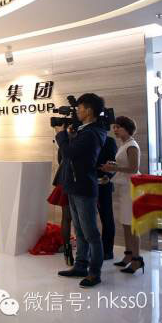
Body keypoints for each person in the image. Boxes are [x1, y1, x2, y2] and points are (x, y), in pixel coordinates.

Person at [55, 93, 108, 288]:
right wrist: (69, 137)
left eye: (80, 108)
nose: (77, 111)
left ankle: (94, 273)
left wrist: (61, 135)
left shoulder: (92, 133)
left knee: (91, 233)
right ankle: (80, 266)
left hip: (84, 186)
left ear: (89, 110)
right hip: (74, 185)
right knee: (79, 230)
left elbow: (69, 153)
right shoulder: (84, 131)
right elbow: (71, 155)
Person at [100, 116, 142, 274]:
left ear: (127, 128)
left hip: (132, 188)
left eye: (118, 127)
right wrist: (113, 167)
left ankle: (137, 259)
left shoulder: (131, 145)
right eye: (114, 127)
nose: (115, 130)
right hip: (125, 188)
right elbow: (125, 166)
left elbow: (133, 168)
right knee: (126, 223)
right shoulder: (124, 144)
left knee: (132, 225)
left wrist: (113, 168)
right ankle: (128, 255)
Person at [96, 135, 118, 260]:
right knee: (88, 220)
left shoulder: (109, 141)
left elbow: (113, 163)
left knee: (106, 217)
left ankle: (107, 251)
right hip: (87, 184)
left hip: (104, 184)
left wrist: (107, 177)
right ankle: (93, 249)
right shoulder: (85, 139)